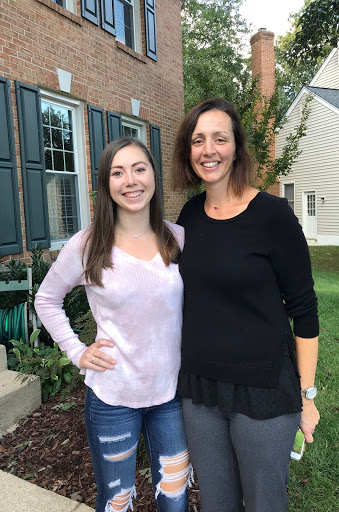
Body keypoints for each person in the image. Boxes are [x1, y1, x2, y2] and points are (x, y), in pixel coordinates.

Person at [171, 98, 320, 512]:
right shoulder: (188, 218)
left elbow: (304, 310)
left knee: (263, 503)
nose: (208, 150)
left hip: (264, 392)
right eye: (198, 140)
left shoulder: (273, 215)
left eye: (220, 138)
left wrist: (307, 395)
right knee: (217, 503)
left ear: (237, 147)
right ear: (189, 151)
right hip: (200, 390)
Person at [35, 137, 193, 512]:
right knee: (117, 501)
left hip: (170, 394)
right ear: (107, 183)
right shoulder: (88, 245)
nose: (131, 180)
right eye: (118, 172)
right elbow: (46, 299)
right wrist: (76, 351)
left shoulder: (178, 238)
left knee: (175, 497)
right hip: (112, 398)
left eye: (139, 168)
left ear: (153, 175)